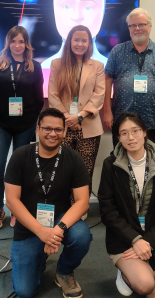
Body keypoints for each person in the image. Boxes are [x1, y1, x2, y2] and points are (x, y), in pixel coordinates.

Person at [5, 108, 92, 298]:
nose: (53, 134)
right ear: (37, 129)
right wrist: (41, 232)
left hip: (59, 218)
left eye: (58, 130)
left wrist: (58, 229)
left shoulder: (73, 158)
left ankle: (64, 271)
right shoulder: (20, 155)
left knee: (81, 236)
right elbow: (11, 201)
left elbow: (83, 202)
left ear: (64, 132)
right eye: (47, 128)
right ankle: (40, 256)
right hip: (28, 224)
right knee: (25, 292)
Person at [98, 112, 155, 297]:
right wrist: (135, 240)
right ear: (118, 138)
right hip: (124, 239)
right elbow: (107, 210)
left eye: (135, 131)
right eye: (124, 133)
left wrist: (148, 242)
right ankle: (126, 271)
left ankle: (142, 264)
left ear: (145, 132)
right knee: (144, 284)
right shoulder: (111, 165)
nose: (131, 137)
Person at [0, 25, 44, 229]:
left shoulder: (34, 67)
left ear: (26, 43)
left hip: (25, 125)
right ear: (8, 43)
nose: (17, 45)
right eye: (13, 41)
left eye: (21, 41)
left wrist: (32, 120)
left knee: (20, 171)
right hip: (2, 125)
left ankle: (16, 209)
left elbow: (39, 98)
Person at [49, 24, 105, 215]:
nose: (80, 43)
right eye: (76, 39)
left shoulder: (97, 66)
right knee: (62, 168)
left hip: (88, 125)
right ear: (69, 41)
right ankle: (64, 206)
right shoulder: (57, 64)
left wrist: (80, 116)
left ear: (89, 43)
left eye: (84, 40)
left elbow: (99, 95)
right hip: (62, 126)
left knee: (85, 169)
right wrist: (67, 117)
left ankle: (81, 207)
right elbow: (53, 95)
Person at [104, 8, 155, 146]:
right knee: (121, 161)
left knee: (148, 162)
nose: (137, 28)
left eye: (141, 24)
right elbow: (107, 81)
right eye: (133, 25)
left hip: (151, 120)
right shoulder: (117, 51)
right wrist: (107, 112)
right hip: (121, 119)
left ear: (150, 26)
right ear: (129, 28)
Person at [41, 0, 108, 70]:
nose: (77, 16)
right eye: (66, 7)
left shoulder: (109, 69)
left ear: (102, 11)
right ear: (54, 11)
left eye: (88, 7)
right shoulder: (46, 68)